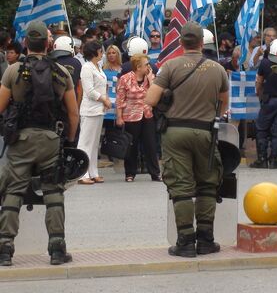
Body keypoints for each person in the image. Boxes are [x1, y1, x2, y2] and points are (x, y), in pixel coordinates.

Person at [145, 21, 229, 258]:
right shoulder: (217, 69)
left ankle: (185, 241)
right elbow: (223, 106)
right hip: (205, 133)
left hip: (175, 132)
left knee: (181, 187)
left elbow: (150, 100)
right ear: (203, 42)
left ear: (181, 42)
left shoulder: (170, 66)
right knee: (207, 185)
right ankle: (206, 240)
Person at [0, 21, 79, 266]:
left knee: (13, 191)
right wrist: (67, 139)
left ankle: (5, 248)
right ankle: (57, 248)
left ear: (25, 43)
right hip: (50, 139)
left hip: (21, 139)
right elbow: (73, 113)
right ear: (48, 44)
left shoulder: (13, 70)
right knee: (53, 191)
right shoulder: (61, 72)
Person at [249, 38, 277, 169]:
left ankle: (262, 160)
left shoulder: (265, 63)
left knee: (262, 129)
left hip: (269, 101)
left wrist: (259, 94)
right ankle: (274, 161)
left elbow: (259, 82)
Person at [116, 54, 161, 182]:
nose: (149, 66)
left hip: (147, 114)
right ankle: (130, 173)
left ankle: (155, 173)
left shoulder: (150, 77)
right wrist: (119, 117)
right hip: (131, 115)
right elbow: (120, 99)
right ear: (138, 66)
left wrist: (151, 80)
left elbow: (155, 94)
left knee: (151, 144)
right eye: (146, 64)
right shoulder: (125, 78)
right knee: (131, 145)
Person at [77, 41, 111, 185]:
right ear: (94, 52)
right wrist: (103, 99)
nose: (102, 53)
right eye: (100, 51)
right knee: (85, 143)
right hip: (89, 110)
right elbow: (89, 91)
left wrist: (105, 99)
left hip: (98, 110)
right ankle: (81, 173)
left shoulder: (99, 67)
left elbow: (103, 86)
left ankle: (93, 171)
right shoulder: (86, 68)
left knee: (94, 144)